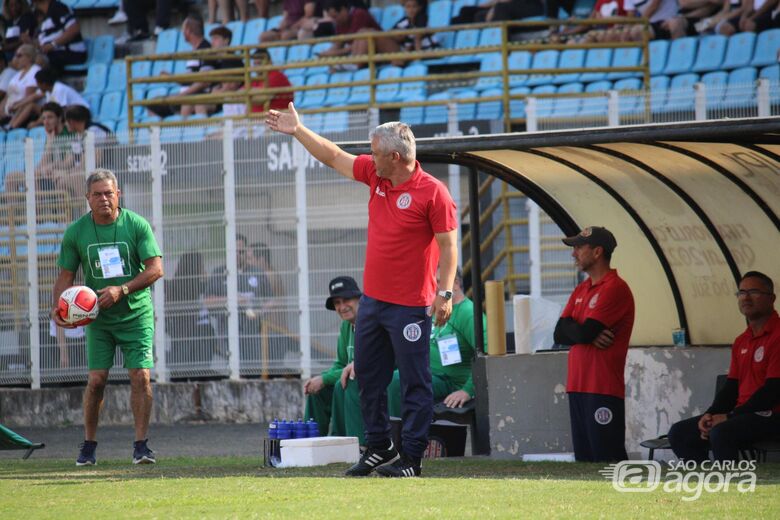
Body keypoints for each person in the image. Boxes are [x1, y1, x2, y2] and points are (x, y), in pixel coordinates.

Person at [266, 107, 458, 478]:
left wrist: (445, 294)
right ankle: (379, 445)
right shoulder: (376, 175)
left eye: (374, 152)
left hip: (411, 307)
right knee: (367, 377)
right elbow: (334, 155)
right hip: (374, 302)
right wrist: (299, 130)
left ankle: (412, 457)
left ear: (396, 157)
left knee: (416, 384)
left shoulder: (433, 192)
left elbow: (449, 248)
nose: (368, 158)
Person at [50, 168, 164, 466]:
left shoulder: (136, 225)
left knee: (141, 376)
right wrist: (58, 308)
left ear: (118, 195)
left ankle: (141, 446)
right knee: (97, 380)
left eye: (109, 193)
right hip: (97, 318)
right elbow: (65, 276)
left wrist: (122, 289)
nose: (104, 199)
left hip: (136, 314)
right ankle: (88, 446)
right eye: (97, 194)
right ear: (87, 198)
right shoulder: (77, 232)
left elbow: (156, 269)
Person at [668, 271, 780, 462]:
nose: (745, 297)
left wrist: (729, 417)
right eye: (741, 292)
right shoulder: (741, 341)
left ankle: (732, 485)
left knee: (721, 432)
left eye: (753, 291)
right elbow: (731, 388)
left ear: (772, 298)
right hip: (742, 414)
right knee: (680, 433)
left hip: (773, 414)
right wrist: (710, 415)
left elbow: (773, 390)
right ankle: (704, 483)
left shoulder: (777, 335)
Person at [553, 226, 635, 462]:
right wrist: (584, 333)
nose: (573, 253)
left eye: (579, 247)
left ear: (597, 252)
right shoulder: (582, 288)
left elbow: (585, 331)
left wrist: (582, 332)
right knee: (585, 461)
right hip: (578, 384)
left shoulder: (615, 288)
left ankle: (624, 499)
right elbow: (559, 333)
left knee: (607, 457)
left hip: (602, 387)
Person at [387, 267, 486, 417]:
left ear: (456, 284)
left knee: (397, 381)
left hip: (450, 381)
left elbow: (487, 352)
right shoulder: (436, 308)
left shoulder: (467, 313)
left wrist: (468, 390)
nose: (433, 288)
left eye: (438, 282)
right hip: (428, 374)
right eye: (431, 283)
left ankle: (399, 435)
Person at [304, 276, 365, 444]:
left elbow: (370, 363)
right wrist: (320, 380)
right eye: (337, 303)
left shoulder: (370, 322)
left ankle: (342, 440)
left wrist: (325, 378)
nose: (342, 307)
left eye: (346, 300)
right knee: (318, 391)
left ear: (359, 299)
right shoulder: (346, 325)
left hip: (371, 382)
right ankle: (311, 442)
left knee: (341, 384)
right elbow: (341, 363)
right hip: (353, 379)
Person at [203, 234, 271, 369]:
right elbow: (208, 301)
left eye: (241, 252)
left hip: (253, 333)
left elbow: (270, 301)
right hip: (227, 332)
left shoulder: (257, 272)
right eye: (235, 252)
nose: (238, 255)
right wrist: (232, 300)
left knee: (252, 371)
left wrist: (259, 312)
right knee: (233, 369)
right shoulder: (219, 273)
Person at [4, 101, 71, 192]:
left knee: (35, 178)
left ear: (59, 118)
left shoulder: (69, 134)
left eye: (50, 117)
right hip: (47, 174)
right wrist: (50, 143)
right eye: (43, 118)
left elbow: (69, 163)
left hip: (64, 174)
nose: (46, 122)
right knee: (11, 178)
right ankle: (14, 207)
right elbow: (43, 163)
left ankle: (38, 206)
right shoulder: (50, 135)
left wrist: (51, 166)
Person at [165, 251, 216, 367]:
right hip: (199, 334)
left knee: (180, 370)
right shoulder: (201, 286)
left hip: (181, 334)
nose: (204, 269)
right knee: (199, 370)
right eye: (202, 266)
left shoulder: (173, 287)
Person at [318, 0, 399, 66]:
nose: (334, 20)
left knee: (363, 33)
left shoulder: (359, 14)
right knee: (332, 65)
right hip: (364, 56)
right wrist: (326, 54)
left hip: (381, 50)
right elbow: (338, 45)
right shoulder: (339, 24)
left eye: (335, 16)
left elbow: (355, 46)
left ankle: (352, 66)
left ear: (343, 10)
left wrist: (339, 52)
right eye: (332, 18)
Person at [9, 67, 87, 129]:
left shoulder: (59, 89)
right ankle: (12, 127)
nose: (37, 86)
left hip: (79, 113)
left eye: (38, 83)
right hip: (64, 113)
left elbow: (60, 110)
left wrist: (37, 123)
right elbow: (45, 108)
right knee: (31, 106)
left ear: (44, 84)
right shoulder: (48, 90)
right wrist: (16, 106)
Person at [31, 0, 87, 73]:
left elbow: (74, 29)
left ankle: (44, 84)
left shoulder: (57, 7)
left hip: (71, 52)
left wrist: (52, 45)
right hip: (54, 53)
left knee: (39, 60)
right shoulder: (41, 14)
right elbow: (43, 43)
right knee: (25, 58)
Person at [0, 43, 41, 127]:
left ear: (29, 57)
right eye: (15, 55)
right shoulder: (18, 73)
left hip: (22, 115)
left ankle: (10, 127)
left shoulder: (35, 71)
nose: (15, 58)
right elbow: (8, 95)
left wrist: (11, 118)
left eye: (19, 56)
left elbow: (28, 98)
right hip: (8, 113)